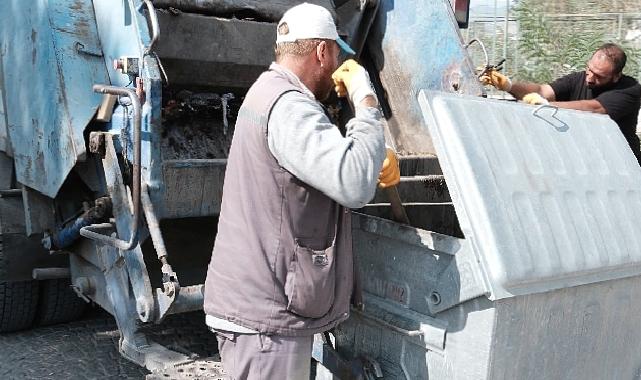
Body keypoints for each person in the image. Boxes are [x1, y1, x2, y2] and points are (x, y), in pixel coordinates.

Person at [203, 3, 399, 379]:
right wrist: (365, 99)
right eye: (337, 54)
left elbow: (321, 167)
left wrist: (367, 154)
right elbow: (354, 185)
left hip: (265, 312)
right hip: (265, 322)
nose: (338, 67)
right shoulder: (289, 107)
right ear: (322, 52)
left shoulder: (272, 94)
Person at [482, 43, 641, 165]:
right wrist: (507, 85)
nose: (590, 78)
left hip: (623, 163)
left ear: (616, 76)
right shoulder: (578, 79)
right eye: (589, 69)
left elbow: (595, 108)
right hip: (590, 161)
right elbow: (543, 91)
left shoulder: (629, 89)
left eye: (599, 76)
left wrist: (546, 106)